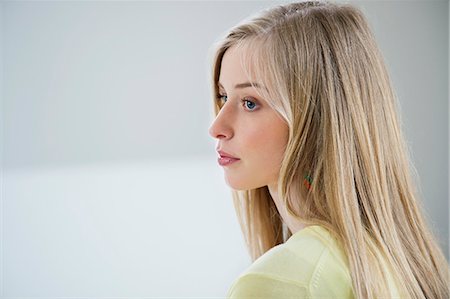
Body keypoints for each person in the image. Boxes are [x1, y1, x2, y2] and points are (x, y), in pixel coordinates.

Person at [207, 1, 450, 298]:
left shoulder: (279, 282)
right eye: (222, 96)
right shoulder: (399, 265)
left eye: (250, 103)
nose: (217, 127)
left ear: (317, 117)